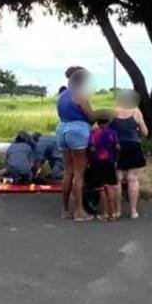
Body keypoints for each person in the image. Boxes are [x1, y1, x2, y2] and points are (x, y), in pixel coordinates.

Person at [56, 66, 94, 221]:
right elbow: (91, 116)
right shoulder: (80, 95)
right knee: (79, 173)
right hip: (77, 132)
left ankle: (65, 210)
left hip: (62, 130)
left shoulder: (62, 95)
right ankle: (79, 211)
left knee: (68, 171)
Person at [110, 89, 149, 219]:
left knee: (118, 179)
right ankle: (133, 211)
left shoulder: (112, 112)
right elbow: (145, 132)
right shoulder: (136, 111)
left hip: (117, 147)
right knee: (132, 178)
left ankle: (117, 211)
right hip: (133, 145)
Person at [88, 110, 120, 221]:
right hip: (109, 162)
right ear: (109, 121)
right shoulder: (113, 133)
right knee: (111, 187)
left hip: (97, 163)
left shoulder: (93, 133)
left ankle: (105, 213)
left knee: (100, 188)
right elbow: (117, 147)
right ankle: (114, 212)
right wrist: (116, 158)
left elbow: (91, 148)